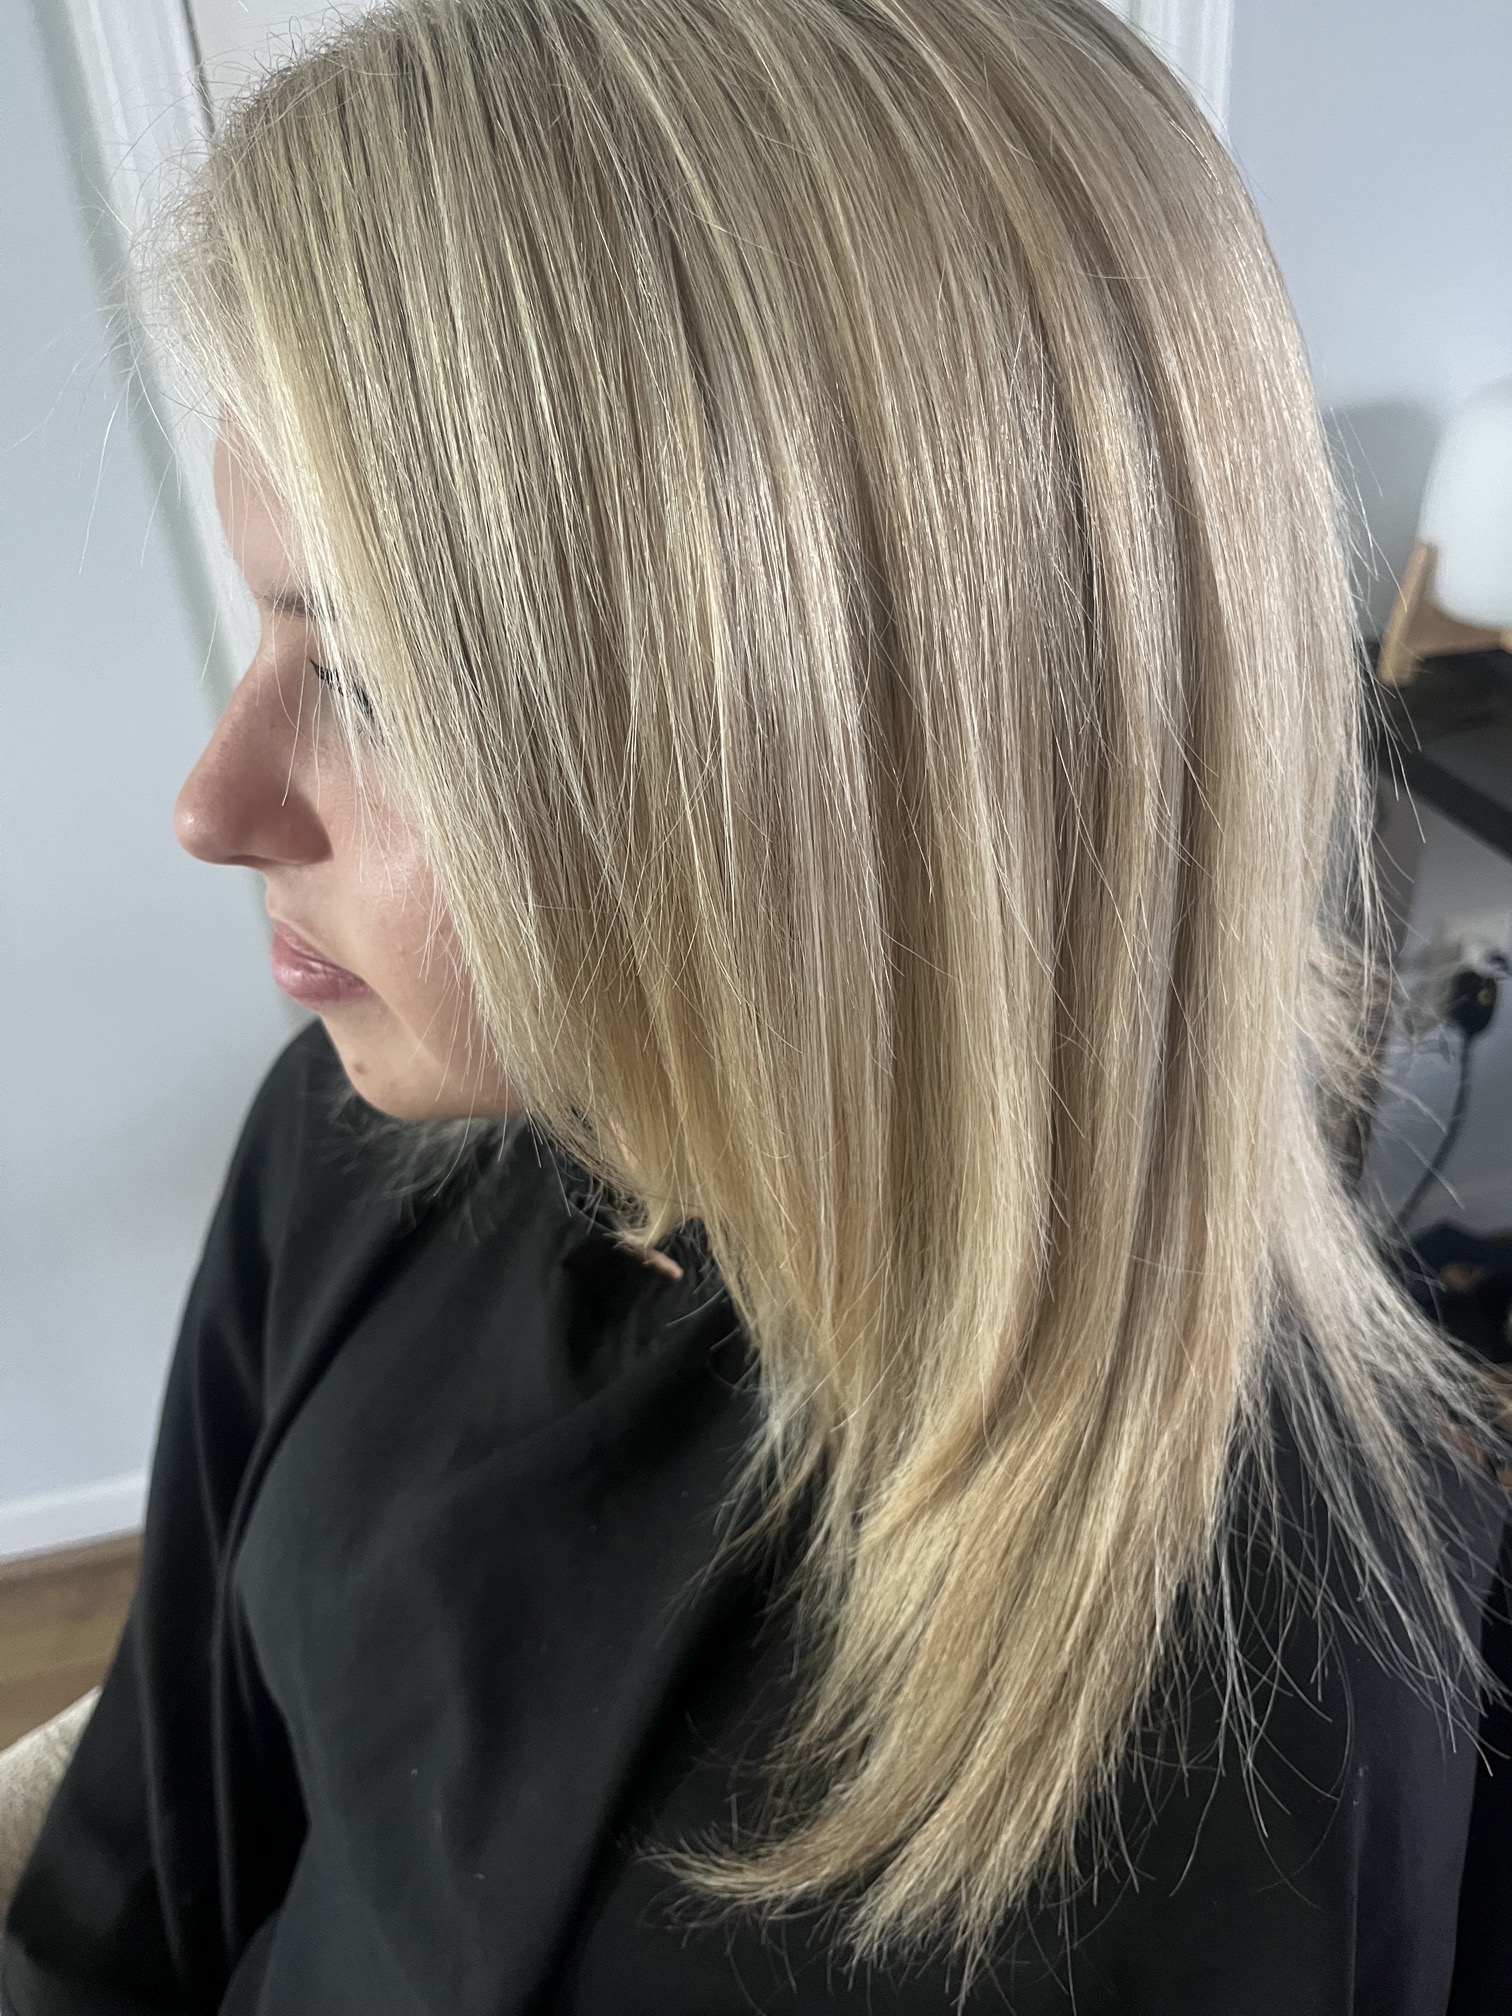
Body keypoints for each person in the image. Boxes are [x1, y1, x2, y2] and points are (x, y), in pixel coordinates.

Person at [4, 0, 1509, 2008]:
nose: (214, 805)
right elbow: (133, 1887)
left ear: (846, 780)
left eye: (364, 681)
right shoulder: (350, 1163)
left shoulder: (1286, 1702)